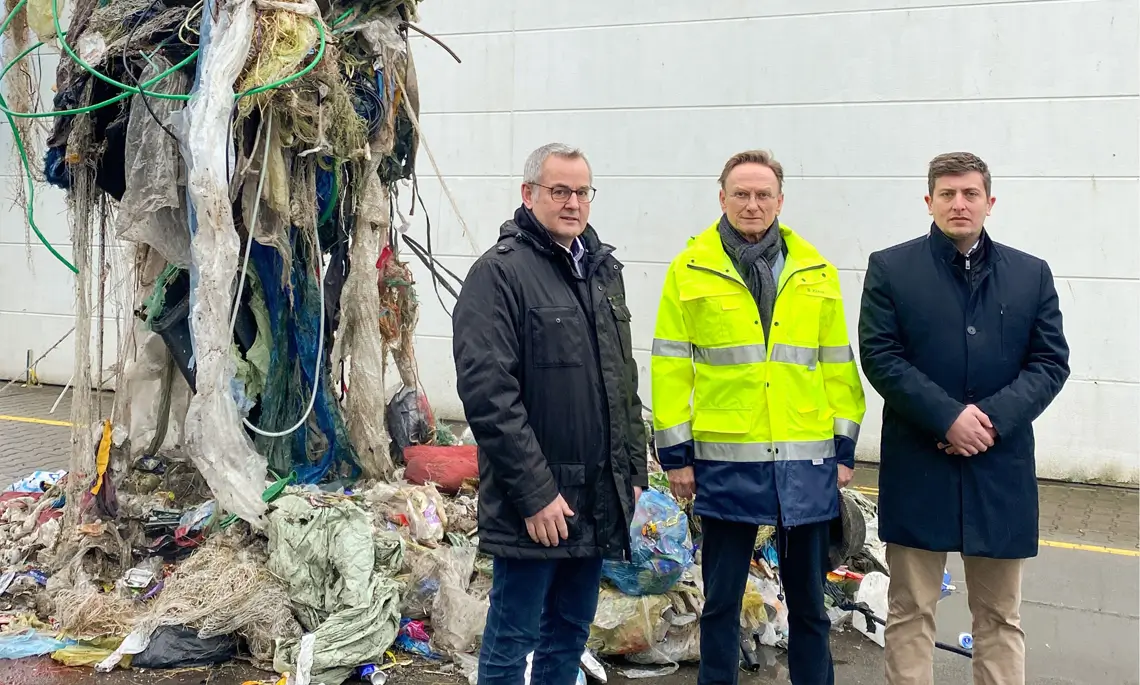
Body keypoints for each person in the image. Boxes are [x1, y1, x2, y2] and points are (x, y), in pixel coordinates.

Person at [650, 149, 866, 685]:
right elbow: (670, 365)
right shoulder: (691, 268)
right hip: (727, 463)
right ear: (721, 197)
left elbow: (838, 364)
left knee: (811, 608)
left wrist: (842, 450)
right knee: (721, 605)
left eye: (762, 194)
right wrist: (676, 456)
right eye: (741, 194)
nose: (752, 204)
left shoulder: (814, 269)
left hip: (805, 462)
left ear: (780, 201)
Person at [858, 151, 1070, 685]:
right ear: (928, 201)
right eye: (947, 194)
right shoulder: (891, 269)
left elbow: (1050, 362)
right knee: (909, 612)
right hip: (919, 465)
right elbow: (881, 356)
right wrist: (947, 417)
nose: (959, 204)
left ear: (989, 202)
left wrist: (991, 422)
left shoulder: (1030, 275)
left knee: (1000, 617)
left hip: (999, 469)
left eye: (970, 194)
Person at [452, 142, 648, 685]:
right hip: (534, 504)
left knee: (568, 634)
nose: (572, 203)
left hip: (597, 495)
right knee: (512, 640)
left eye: (581, 191)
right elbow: (490, 394)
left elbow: (622, 383)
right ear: (528, 194)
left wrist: (631, 475)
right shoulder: (499, 275)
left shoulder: (603, 271)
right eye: (558, 191)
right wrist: (535, 493)